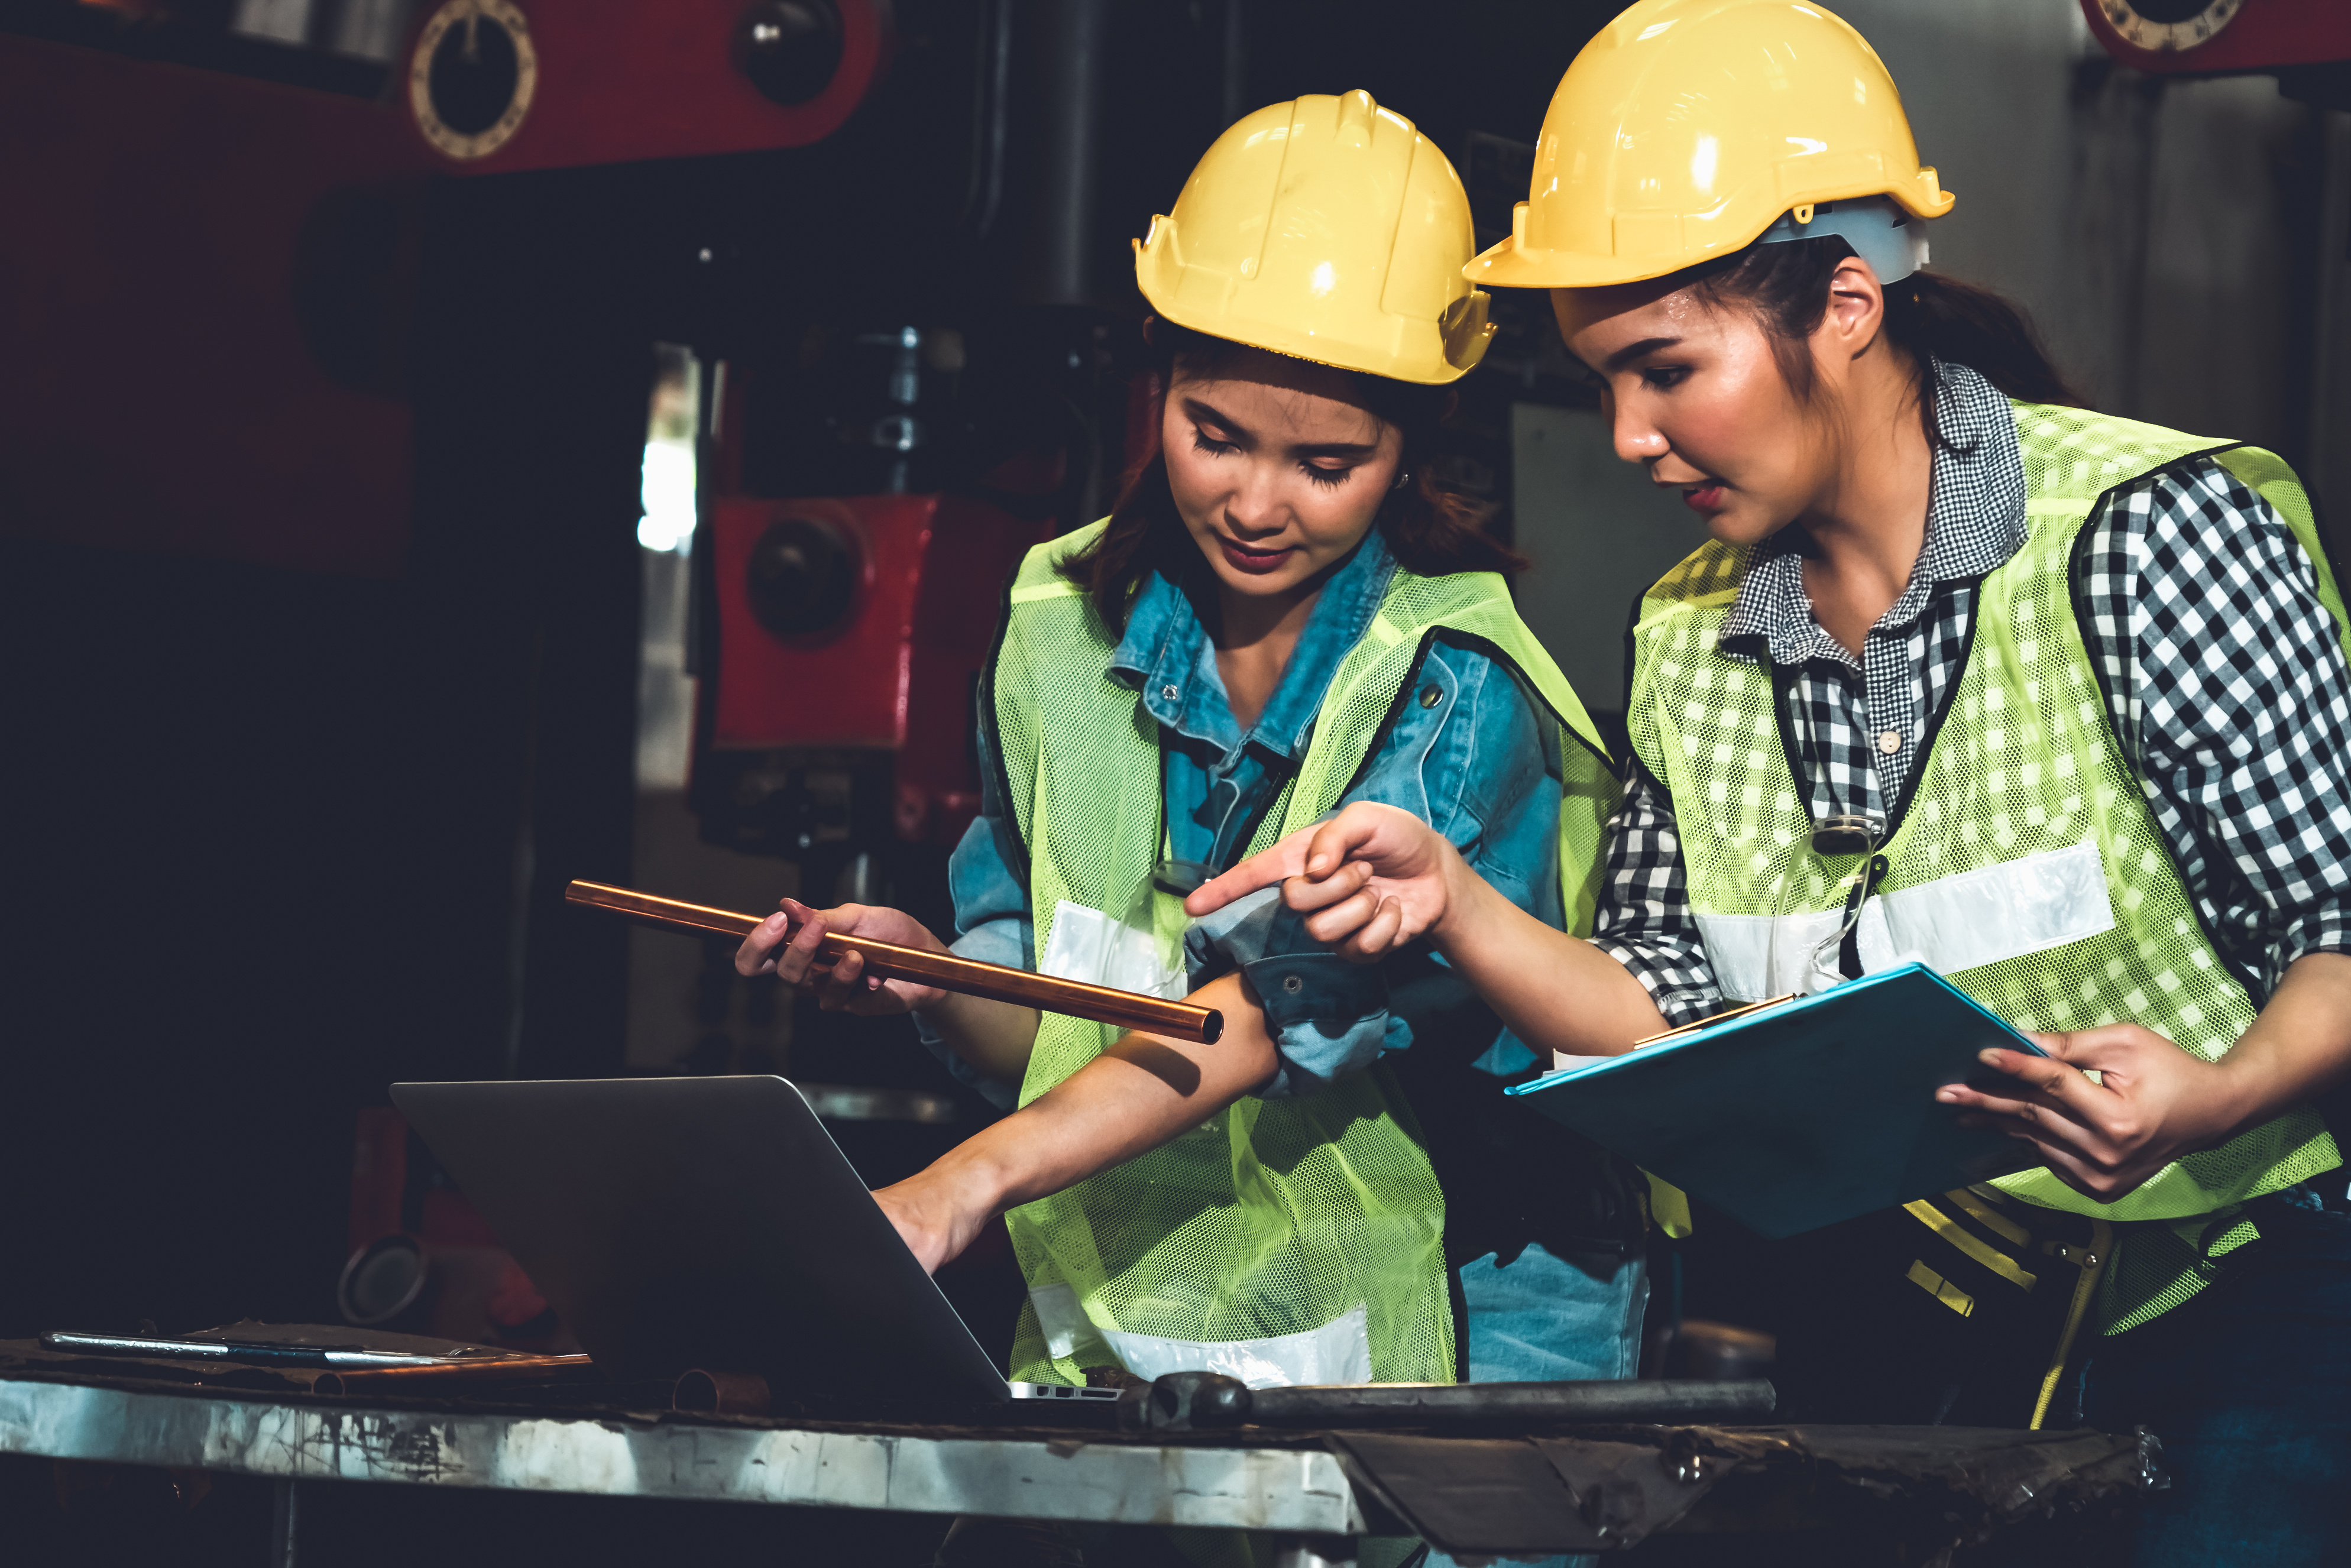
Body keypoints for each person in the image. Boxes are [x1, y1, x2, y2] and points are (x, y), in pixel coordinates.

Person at [1187, 2, 2351, 1562]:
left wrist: (2220, 1092)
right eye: (1603, 381)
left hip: (2259, 1284)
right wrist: (1457, 904)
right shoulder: (1686, 633)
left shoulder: (2145, 534)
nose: (1629, 435)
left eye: (1666, 368)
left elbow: (2336, 923)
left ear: (1848, 302)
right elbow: (1668, 1009)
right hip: (1941, 1316)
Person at [739, 82, 1644, 1482]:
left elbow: (1270, 1018)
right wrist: (930, 978)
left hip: (1480, 1285)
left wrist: (970, 1179)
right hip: (1180, 1266)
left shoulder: (1452, 683)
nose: (1256, 501)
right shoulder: (1057, 630)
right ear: (1153, 383)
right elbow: (1047, 1027)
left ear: (1412, 448)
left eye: (1326, 463)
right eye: (1215, 432)